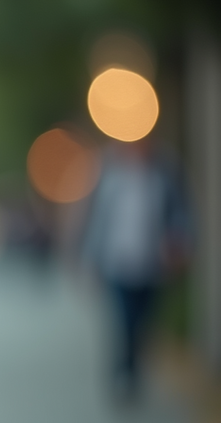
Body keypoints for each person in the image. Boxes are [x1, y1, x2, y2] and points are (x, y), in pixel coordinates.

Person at [81, 138, 191, 400]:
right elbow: (98, 222)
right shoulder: (110, 179)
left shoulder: (164, 177)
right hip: (117, 263)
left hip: (151, 264)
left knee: (145, 323)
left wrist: (179, 240)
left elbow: (180, 213)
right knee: (123, 322)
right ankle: (124, 373)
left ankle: (133, 368)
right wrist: (91, 260)